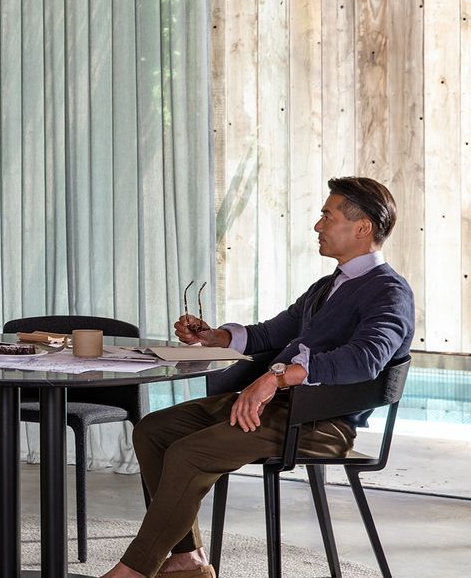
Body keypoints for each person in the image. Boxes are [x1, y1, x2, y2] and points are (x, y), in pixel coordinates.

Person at [99, 177, 414, 578]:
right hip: (273, 408)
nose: (317, 226)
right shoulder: (328, 285)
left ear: (362, 227)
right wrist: (217, 337)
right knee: (154, 430)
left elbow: (367, 358)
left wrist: (278, 377)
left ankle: (132, 571)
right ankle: (185, 561)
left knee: (188, 453)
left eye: (326, 216)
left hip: (319, 422)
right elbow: (272, 332)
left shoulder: (389, 291)